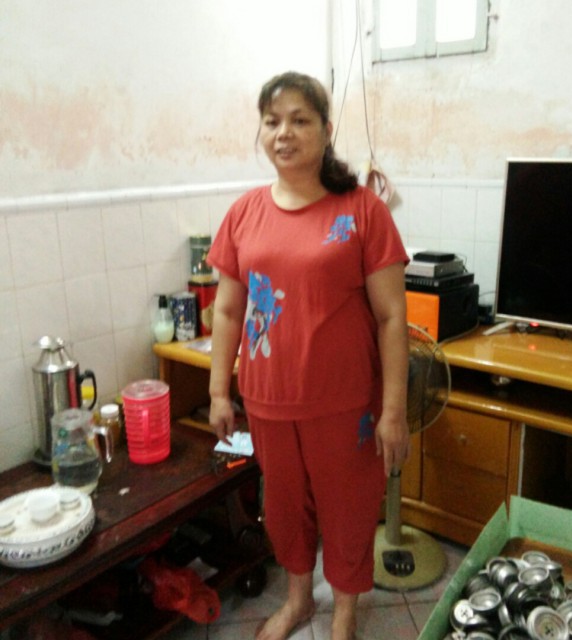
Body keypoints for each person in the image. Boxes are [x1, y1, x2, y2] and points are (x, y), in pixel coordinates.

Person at [206, 71, 410, 640]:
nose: (284, 133)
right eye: (272, 122)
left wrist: (394, 410)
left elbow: (393, 318)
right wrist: (219, 391)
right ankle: (298, 600)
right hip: (268, 400)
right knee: (285, 507)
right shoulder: (244, 213)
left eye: (299, 120)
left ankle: (344, 609)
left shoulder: (362, 210)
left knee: (347, 508)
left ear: (325, 129)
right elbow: (228, 311)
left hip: (346, 401)